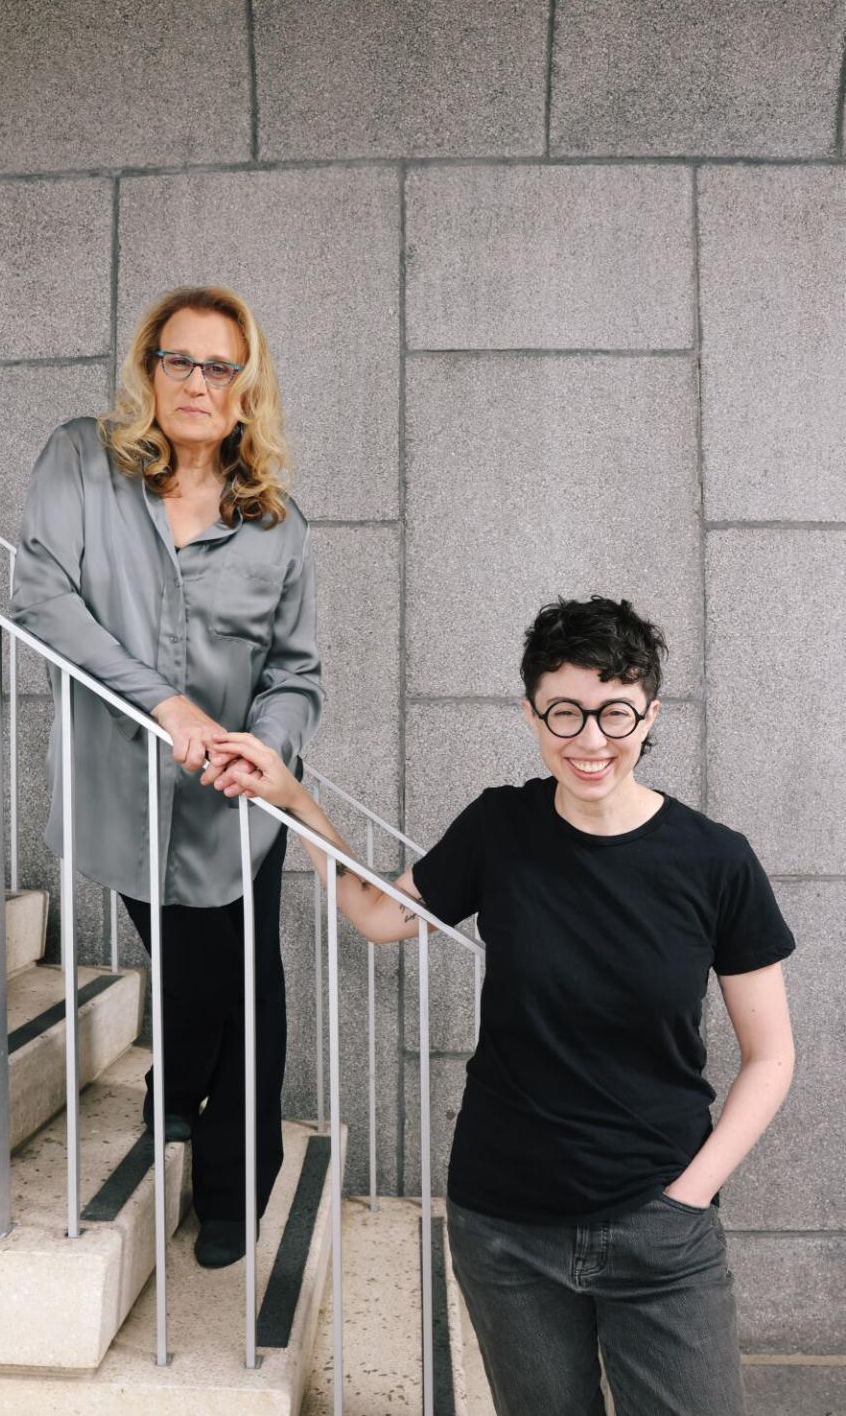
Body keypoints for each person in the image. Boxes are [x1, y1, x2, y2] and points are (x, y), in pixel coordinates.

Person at [211, 595, 794, 1415]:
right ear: (531, 714)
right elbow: (379, 916)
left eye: (615, 711)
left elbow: (771, 1055)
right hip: (505, 1228)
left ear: (650, 712)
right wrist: (297, 798)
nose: (590, 739)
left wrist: (687, 1198)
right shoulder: (501, 826)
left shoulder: (716, 861)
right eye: (565, 711)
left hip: (661, 1225)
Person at [10, 285, 323, 1268]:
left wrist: (265, 741)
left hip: (240, 798)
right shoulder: (78, 460)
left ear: (245, 388)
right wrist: (169, 706)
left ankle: (234, 1186)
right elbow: (43, 600)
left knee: (250, 977)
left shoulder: (277, 524)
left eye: (219, 365)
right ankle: (175, 1090)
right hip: (126, 789)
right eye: (179, 360)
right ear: (149, 370)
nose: (198, 380)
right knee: (193, 970)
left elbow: (296, 670)